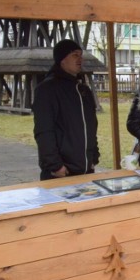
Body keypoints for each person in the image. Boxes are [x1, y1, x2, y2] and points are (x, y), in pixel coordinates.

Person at [33, 39, 99, 180]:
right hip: (61, 173)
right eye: (75, 55)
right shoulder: (47, 90)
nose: (80, 59)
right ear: (62, 59)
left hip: (86, 170)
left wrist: (93, 157)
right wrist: (55, 166)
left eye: (81, 55)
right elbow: (44, 131)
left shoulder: (84, 90)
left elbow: (92, 126)